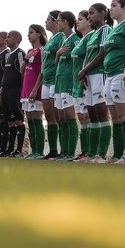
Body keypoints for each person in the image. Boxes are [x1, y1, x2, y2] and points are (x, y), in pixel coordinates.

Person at [104, 0, 125, 163]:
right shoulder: (114, 29)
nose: (110, 8)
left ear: (124, 8)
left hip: (120, 74)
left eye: (114, 5)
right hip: (109, 76)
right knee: (115, 118)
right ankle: (117, 155)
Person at [78, 3, 113, 163]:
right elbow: (87, 55)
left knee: (101, 114)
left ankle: (102, 154)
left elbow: (102, 54)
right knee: (92, 116)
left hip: (100, 76)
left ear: (102, 14)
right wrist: (83, 73)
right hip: (89, 77)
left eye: (92, 13)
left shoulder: (106, 30)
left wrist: (84, 70)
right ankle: (92, 154)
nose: (89, 16)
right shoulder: (92, 34)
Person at [54, 12, 81, 160]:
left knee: (70, 117)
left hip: (69, 83)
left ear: (65, 22)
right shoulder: (62, 40)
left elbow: (79, 60)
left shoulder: (75, 40)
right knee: (61, 118)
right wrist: (57, 55)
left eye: (59, 21)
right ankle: (63, 152)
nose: (57, 24)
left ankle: (70, 153)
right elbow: (56, 63)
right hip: (59, 83)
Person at [0, 32, 26, 157]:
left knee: (18, 120)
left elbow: (23, 71)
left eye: (9, 37)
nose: (7, 39)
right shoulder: (9, 55)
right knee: (10, 122)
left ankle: (19, 150)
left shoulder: (20, 53)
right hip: (6, 92)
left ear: (17, 39)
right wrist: (1, 91)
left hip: (16, 91)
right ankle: (10, 149)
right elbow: (5, 75)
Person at [71, 11, 94, 161]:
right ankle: (85, 152)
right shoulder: (81, 40)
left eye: (80, 19)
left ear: (89, 21)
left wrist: (84, 75)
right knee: (82, 120)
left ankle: (92, 152)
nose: (77, 22)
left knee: (89, 118)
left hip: (85, 83)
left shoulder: (91, 37)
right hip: (75, 84)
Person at [40, 11, 63, 159]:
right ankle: (53, 150)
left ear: (56, 21)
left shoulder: (61, 37)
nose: (45, 21)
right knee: (49, 116)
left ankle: (64, 150)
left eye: (48, 19)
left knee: (58, 116)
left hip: (55, 79)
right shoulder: (50, 40)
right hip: (46, 80)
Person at [21, 25, 46, 158]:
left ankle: (39, 152)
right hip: (25, 90)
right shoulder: (30, 50)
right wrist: (26, 58)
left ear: (39, 34)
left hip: (35, 90)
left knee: (37, 119)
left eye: (31, 32)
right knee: (29, 121)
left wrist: (35, 89)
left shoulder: (42, 50)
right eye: (28, 32)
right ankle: (33, 151)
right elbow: (22, 70)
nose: (28, 35)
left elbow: (43, 72)